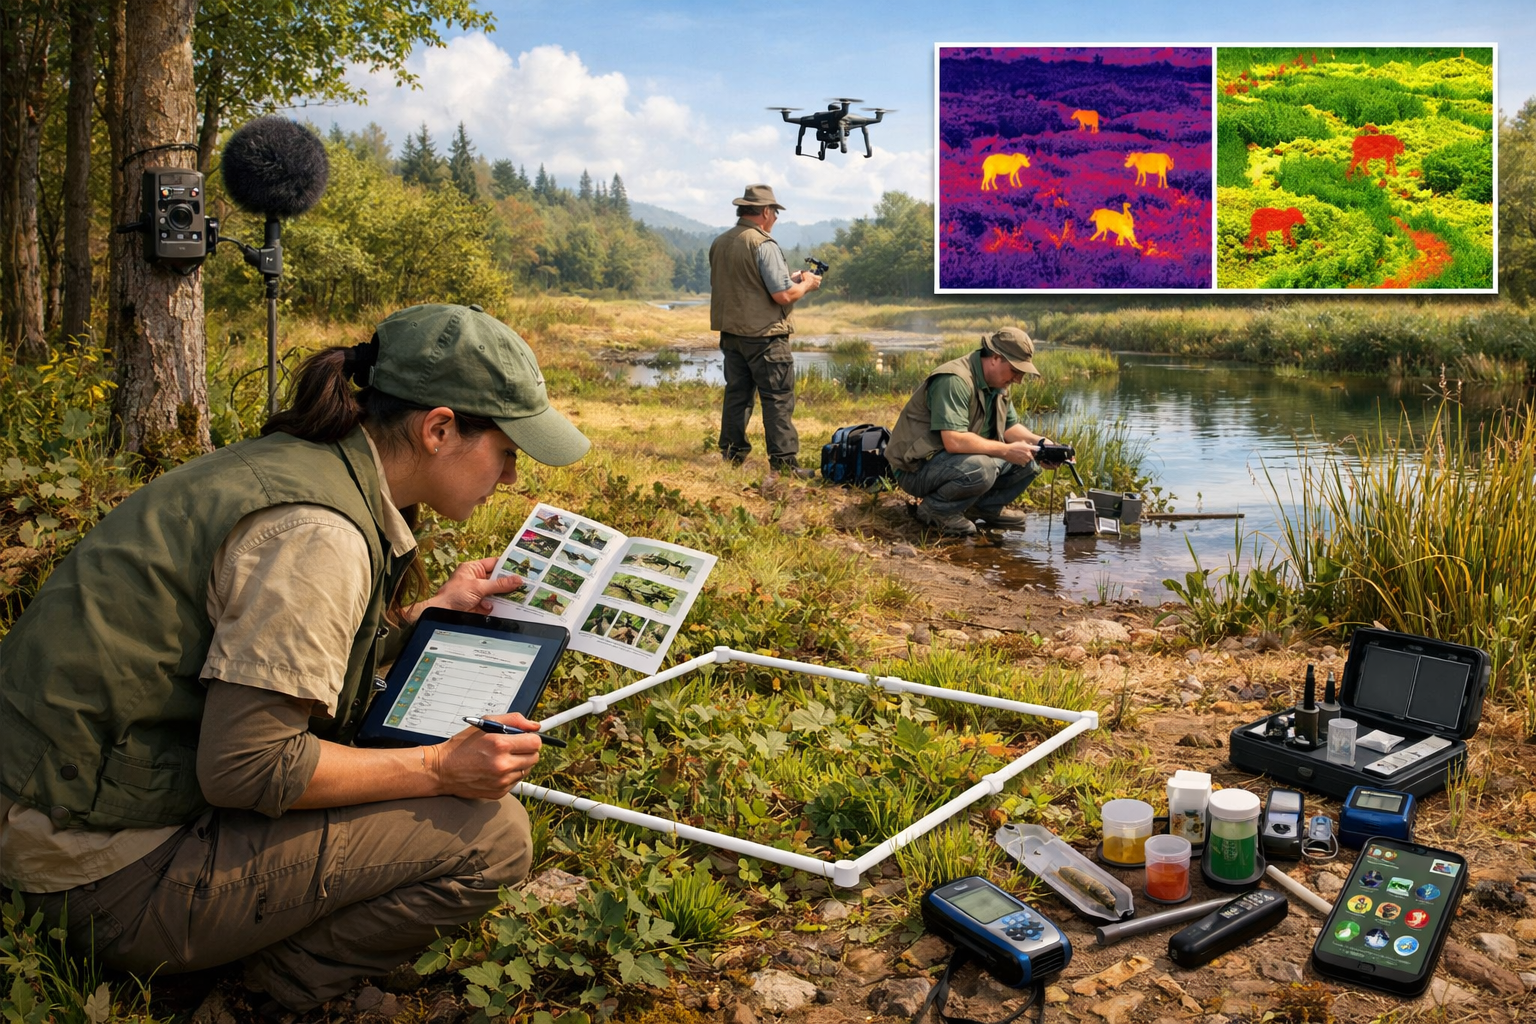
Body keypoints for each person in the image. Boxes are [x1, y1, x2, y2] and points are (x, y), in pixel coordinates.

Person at [0, 304, 589, 1014]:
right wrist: (439, 767)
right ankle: (260, 995)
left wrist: (418, 619)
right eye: (508, 451)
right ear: (438, 430)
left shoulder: (300, 466)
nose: (512, 476)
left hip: (51, 812)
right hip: (94, 874)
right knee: (491, 837)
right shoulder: (318, 533)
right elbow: (247, 766)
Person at [885, 327, 1060, 536]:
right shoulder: (954, 380)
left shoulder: (999, 384)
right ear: (995, 358)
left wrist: (1041, 444)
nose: (1018, 380)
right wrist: (1006, 450)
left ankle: (983, 508)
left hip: (953, 462)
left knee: (1030, 461)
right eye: (1015, 371)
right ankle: (936, 510)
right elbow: (954, 441)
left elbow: (1009, 427)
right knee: (982, 469)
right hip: (916, 469)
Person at [709, 183, 821, 473]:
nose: (776, 218)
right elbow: (783, 296)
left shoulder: (720, 242)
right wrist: (806, 284)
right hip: (765, 337)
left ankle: (731, 456)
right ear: (766, 212)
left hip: (732, 334)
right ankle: (784, 464)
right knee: (778, 398)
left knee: (737, 396)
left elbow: (746, 283)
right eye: (775, 212)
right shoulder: (763, 244)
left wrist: (789, 278)